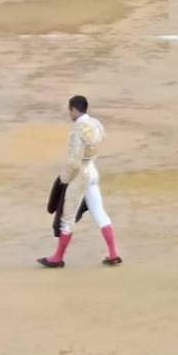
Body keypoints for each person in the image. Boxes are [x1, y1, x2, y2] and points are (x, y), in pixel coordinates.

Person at [37, 95, 122, 268]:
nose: (70, 114)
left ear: (74, 110)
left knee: (66, 216)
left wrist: (63, 179)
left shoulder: (77, 130)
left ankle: (58, 257)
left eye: (70, 110)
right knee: (99, 213)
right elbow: (100, 139)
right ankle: (113, 253)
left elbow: (74, 162)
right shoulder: (95, 124)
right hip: (92, 170)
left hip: (81, 175)